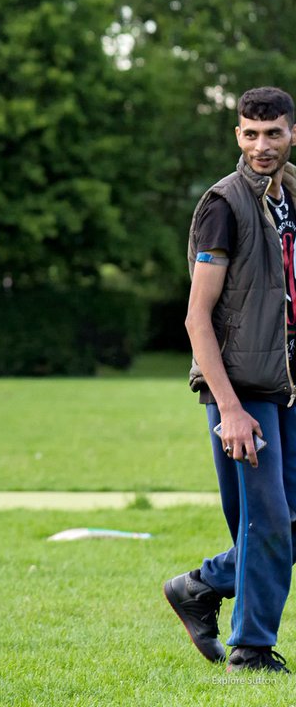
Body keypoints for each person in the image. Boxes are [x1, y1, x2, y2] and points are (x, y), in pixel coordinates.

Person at [164, 86, 296, 674]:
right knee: (266, 520)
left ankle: (198, 587)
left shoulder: (292, 196)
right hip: (241, 389)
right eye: (249, 133)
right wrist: (230, 409)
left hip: (289, 382)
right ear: (237, 135)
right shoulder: (225, 204)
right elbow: (197, 316)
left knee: (289, 524)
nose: (261, 146)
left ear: (292, 132)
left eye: (272, 133)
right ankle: (251, 649)